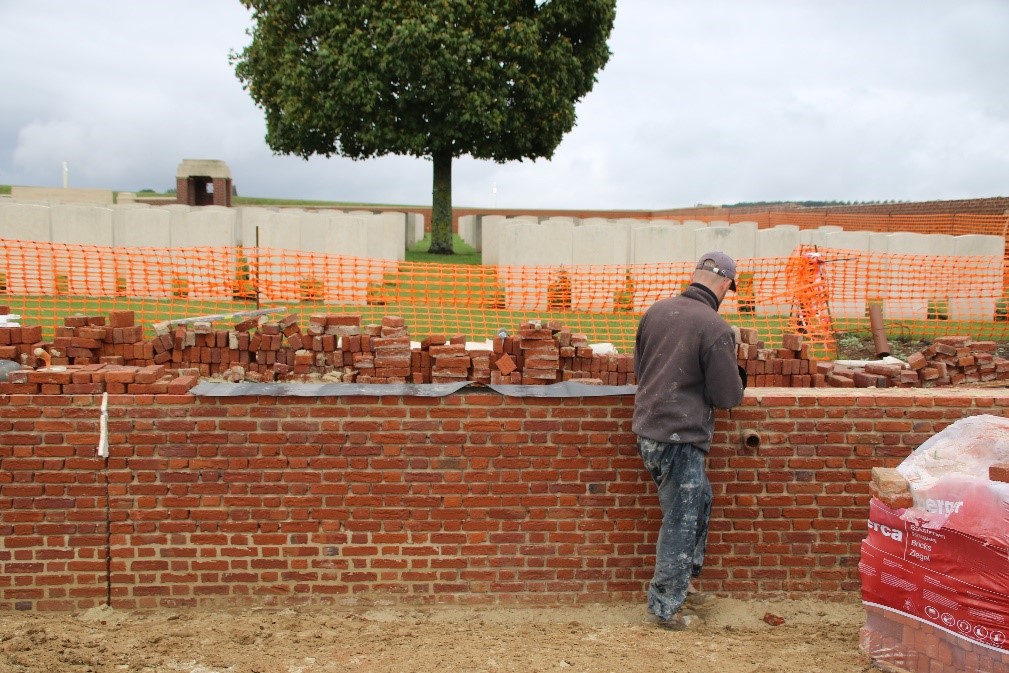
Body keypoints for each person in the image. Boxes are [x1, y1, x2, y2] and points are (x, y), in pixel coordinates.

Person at [632, 251, 746, 630]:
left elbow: (642, 367)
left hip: (648, 431)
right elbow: (727, 397)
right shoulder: (714, 327)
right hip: (680, 439)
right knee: (681, 521)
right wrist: (736, 365)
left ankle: (686, 578)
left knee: (700, 501)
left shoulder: (657, 312)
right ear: (727, 284)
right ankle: (666, 608)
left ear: (696, 275)